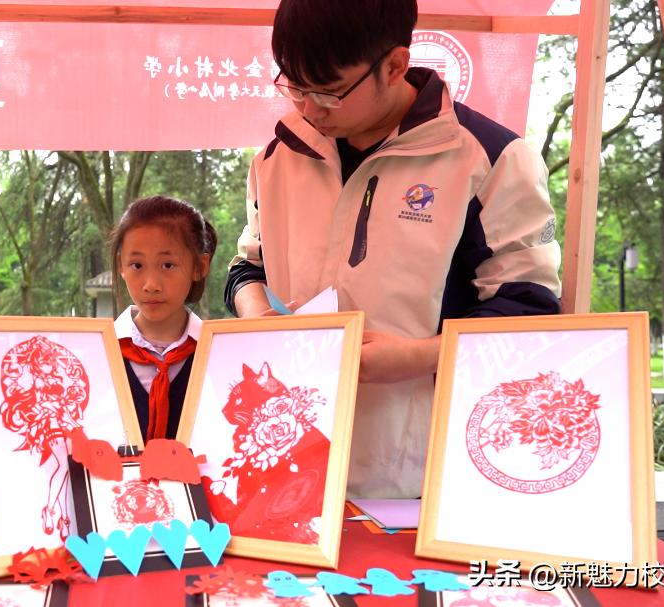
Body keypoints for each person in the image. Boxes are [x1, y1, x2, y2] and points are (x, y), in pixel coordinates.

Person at [225, 0, 562, 498]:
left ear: (395, 65)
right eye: (294, 86)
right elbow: (247, 267)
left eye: (329, 91)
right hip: (289, 464)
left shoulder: (488, 159)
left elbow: (530, 310)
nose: (309, 110)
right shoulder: (277, 159)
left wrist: (421, 356)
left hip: (425, 476)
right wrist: (256, 315)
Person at [110, 196, 216, 442]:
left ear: (200, 266)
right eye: (137, 265)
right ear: (120, 265)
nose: (151, 285)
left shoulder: (218, 355)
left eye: (167, 265)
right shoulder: (100, 355)